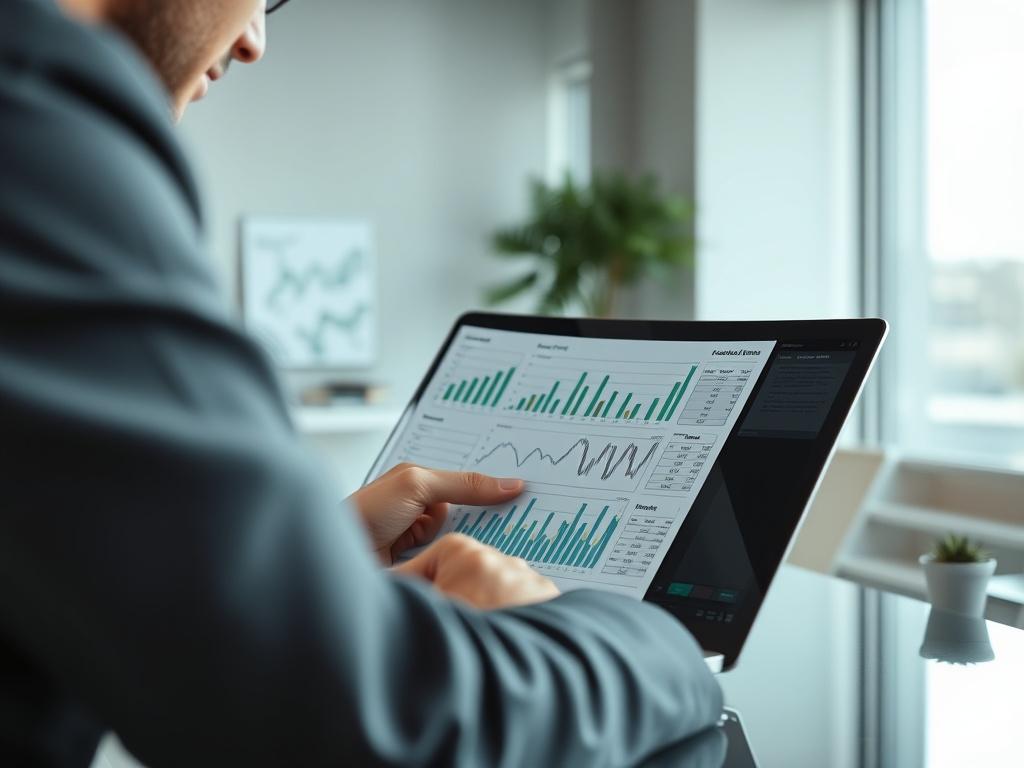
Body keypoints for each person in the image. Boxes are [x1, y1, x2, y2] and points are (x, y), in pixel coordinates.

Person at [0, 1, 723, 766]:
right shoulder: (29, 124)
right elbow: (370, 723)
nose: (253, 41)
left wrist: (303, 568)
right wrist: (666, 643)